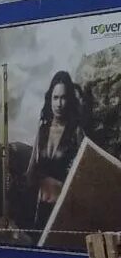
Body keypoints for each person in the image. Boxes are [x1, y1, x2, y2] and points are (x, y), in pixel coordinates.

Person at [26, 69, 84, 230]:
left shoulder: (76, 132)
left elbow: (82, 175)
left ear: (70, 100)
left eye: (64, 98)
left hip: (64, 212)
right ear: (50, 98)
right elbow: (31, 170)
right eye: (56, 97)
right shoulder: (42, 129)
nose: (59, 104)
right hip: (41, 209)